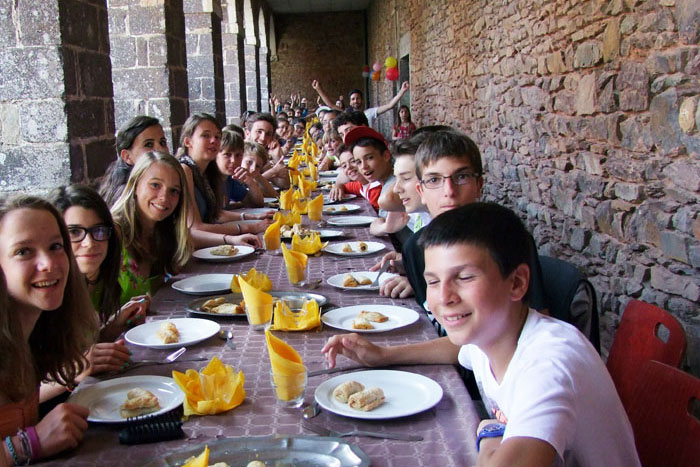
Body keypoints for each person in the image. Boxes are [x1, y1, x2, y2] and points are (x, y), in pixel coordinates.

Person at [322, 203, 640, 467]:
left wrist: (488, 435)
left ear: (516, 283)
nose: (444, 297)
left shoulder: (550, 363)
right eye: (433, 281)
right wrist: (384, 356)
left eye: (465, 277)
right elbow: (456, 349)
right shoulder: (494, 332)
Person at [0, 195, 97, 463]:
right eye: (23, 251)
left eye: (55, 246)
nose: (49, 264)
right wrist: (28, 444)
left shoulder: (36, 336)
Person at [51, 185, 150, 347]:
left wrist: (115, 325)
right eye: (74, 232)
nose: (89, 243)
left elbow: (87, 347)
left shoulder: (101, 279)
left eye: (99, 231)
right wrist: (81, 364)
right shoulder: (48, 292)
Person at [111, 151, 193, 303]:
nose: (164, 197)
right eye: (155, 185)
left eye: (173, 191)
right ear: (135, 185)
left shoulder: (163, 233)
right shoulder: (113, 234)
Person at [176, 113, 266, 249]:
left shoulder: (207, 172)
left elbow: (215, 215)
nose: (214, 140)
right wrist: (247, 227)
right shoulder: (184, 169)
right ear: (188, 142)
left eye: (217, 136)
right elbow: (195, 228)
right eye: (206, 135)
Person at [100, 116, 169, 207]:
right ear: (127, 156)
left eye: (162, 143)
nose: (160, 150)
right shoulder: (127, 198)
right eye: (149, 144)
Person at [330, 127, 394, 216]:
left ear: (386, 156)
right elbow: (349, 187)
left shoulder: (392, 190)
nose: (364, 166)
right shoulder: (370, 184)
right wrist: (338, 185)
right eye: (358, 162)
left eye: (369, 158)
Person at [312, 79, 410, 129]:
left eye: (358, 98)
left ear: (362, 100)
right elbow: (331, 105)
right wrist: (318, 89)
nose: (355, 101)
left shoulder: (370, 112)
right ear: (350, 102)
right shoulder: (347, 114)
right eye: (353, 99)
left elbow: (390, 105)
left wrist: (402, 90)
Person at [216, 129, 265, 208]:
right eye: (227, 154)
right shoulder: (209, 179)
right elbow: (215, 215)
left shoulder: (230, 180)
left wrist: (249, 181)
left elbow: (257, 203)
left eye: (238, 155)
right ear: (215, 155)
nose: (233, 161)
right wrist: (246, 216)